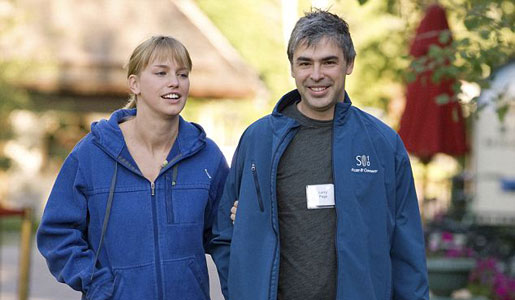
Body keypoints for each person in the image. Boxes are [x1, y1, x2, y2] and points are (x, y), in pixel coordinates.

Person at [212, 9, 429, 300]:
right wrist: (242, 290)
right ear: (292, 67)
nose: (316, 75)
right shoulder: (258, 139)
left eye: (328, 62)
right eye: (305, 63)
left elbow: (407, 249)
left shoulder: (383, 144)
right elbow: (225, 233)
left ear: (349, 64)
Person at [37, 36, 229, 300]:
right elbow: (56, 234)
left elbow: (223, 237)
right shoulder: (91, 154)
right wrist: (99, 284)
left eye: (182, 74)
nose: (174, 81)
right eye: (161, 73)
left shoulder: (207, 157)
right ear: (134, 83)